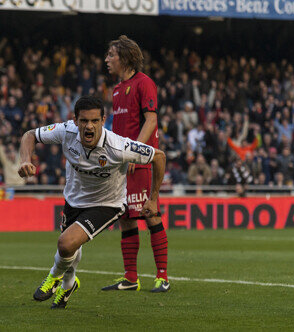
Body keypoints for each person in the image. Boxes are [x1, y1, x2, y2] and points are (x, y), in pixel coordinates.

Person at [20, 95, 165, 309]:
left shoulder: (118, 146)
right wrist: (25, 159)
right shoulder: (66, 131)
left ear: (103, 120)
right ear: (75, 121)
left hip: (107, 204)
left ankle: (53, 278)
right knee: (70, 248)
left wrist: (153, 198)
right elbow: (30, 135)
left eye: (95, 121)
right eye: (84, 121)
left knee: (65, 243)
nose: (89, 126)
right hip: (73, 199)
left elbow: (159, 156)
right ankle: (69, 284)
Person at [103, 35, 169, 292]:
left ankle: (162, 277)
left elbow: (150, 121)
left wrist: (135, 152)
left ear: (125, 57)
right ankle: (131, 277)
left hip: (138, 161)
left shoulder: (144, 83)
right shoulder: (117, 89)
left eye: (111, 55)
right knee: (126, 218)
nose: (107, 60)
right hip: (121, 163)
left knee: (149, 214)